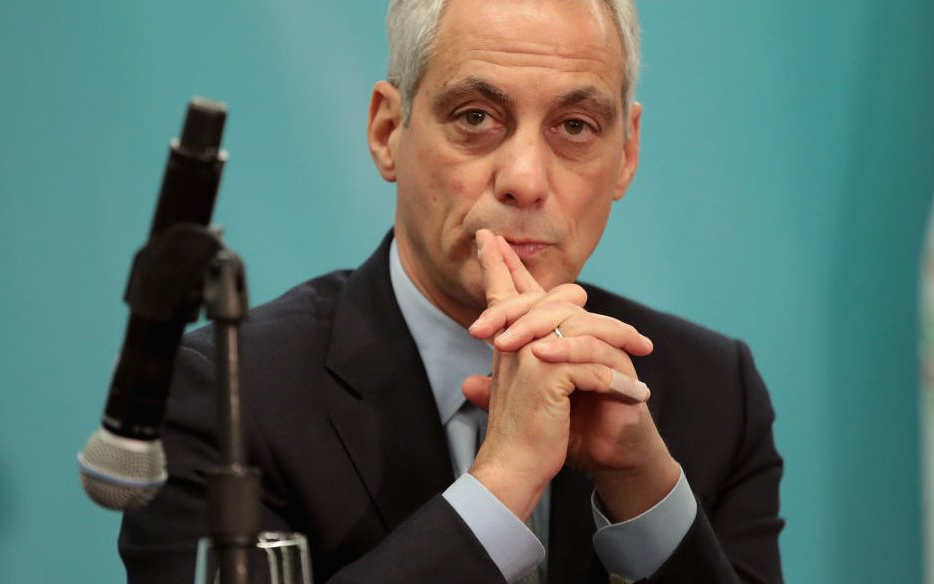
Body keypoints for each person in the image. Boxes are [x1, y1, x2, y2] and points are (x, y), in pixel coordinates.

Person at [119, 0, 784, 582]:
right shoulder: (229, 397)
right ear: (387, 132)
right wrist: (500, 486)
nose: (525, 179)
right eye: (475, 117)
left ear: (627, 154)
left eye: (575, 126)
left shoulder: (714, 395)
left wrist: (645, 493)